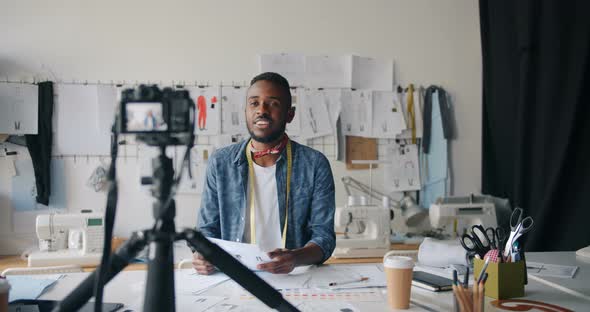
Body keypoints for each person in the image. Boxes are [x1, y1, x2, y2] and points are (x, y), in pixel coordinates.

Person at [193, 72, 335, 275]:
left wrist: (294, 258)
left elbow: (325, 237)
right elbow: (206, 231)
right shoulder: (221, 162)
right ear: (245, 111)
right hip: (235, 277)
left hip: (296, 277)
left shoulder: (314, 164)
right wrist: (202, 254)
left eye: (273, 104)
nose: (262, 110)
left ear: (290, 114)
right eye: (254, 103)